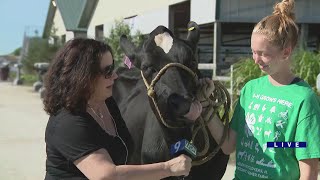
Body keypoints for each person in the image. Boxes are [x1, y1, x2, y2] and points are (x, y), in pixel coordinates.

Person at [43, 38, 201, 180]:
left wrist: (193, 102)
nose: (115, 76)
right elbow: (106, 175)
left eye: (112, 68)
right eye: (107, 71)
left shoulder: (107, 102)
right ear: (82, 76)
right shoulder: (68, 122)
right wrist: (168, 168)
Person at [202, 0, 320, 179]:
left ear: (286, 52)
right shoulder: (251, 89)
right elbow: (228, 145)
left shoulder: (303, 99)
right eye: (253, 52)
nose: (256, 59)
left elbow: (308, 171)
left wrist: (282, 145)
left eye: (264, 54)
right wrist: (205, 107)